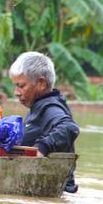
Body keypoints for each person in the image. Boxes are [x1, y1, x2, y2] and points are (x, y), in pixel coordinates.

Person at [8, 51, 80, 193]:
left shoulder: (49, 108)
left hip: (56, 192)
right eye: (15, 86)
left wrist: (42, 147)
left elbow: (69, 127)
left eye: (21, 86)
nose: (16, 92)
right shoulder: (38, 107)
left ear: (41, 83)